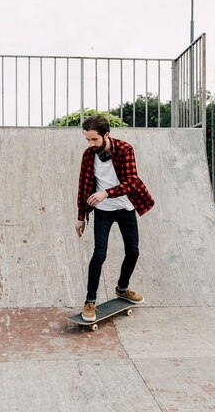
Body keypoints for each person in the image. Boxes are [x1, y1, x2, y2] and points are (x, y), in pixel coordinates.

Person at [75, 115, 154, 322]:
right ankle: (90, 301)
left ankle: (122, 288)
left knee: (133, 252)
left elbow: (132, 181)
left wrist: (106, 193)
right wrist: (80, 217)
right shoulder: (88, 155)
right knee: (99, 254)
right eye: (87, 140)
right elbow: (83, 186)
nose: (91, 144)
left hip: (126, 207)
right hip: (103, 211)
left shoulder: (125, 150)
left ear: (106, 135)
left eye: (94, 140)